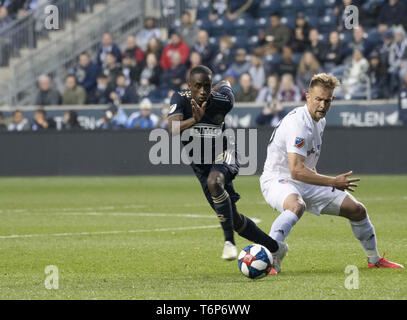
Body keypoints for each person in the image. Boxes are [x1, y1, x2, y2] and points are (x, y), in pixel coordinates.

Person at [260, 73, 404, 274]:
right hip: (278, 180)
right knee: (296, 206)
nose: (322, 105)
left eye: (327, 101)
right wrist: (332, 182)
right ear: (307, 96)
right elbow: (296, 170)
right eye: (318, 99)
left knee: (357, 210)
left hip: (304, 181)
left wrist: (324, 184)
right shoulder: (298, 123)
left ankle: (375, 259)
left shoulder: (320, 121)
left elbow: (306, 165)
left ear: (332, 100)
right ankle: (271, 258)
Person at [167, 65, 286, 261]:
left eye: (207, 86)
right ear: (189, 86)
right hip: (201, 166)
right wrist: (194, 121)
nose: (204, 91)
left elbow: (226, 84)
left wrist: (218, 88)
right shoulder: (180, 98)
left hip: (226, 153)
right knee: (234, 219)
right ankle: (276, 248)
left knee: (215, 182)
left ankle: (229, 244)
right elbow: (172, 128)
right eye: (198, 86)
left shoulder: (223, 101)